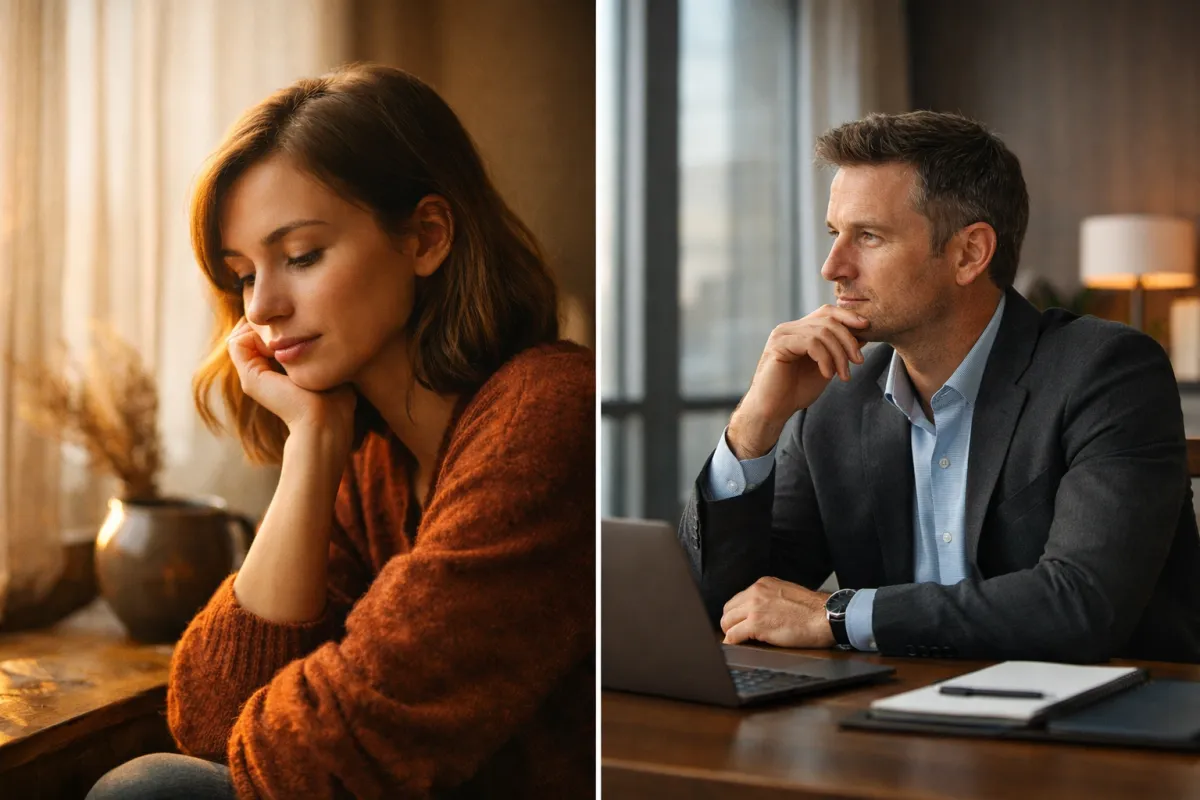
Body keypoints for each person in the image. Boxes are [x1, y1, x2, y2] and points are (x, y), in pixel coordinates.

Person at [87, 63, 594, 799]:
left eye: (300, 257)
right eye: (243, 274)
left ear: (425, 237)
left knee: (149, 793)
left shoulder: (546, 414)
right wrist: (313, 448)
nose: (262, 309)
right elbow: (206, 719)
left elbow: (330, 756)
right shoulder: (373, 462)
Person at [679, 110, 1200, 665]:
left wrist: (839, 615)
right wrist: (755, 424)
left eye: (869, 237)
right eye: (836, 234)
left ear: (970, 253)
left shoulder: (1108, 372)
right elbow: (730, 605)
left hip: (1109, 726)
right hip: (900, 718)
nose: (833, 267)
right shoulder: (837, 398)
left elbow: (1081, 605)